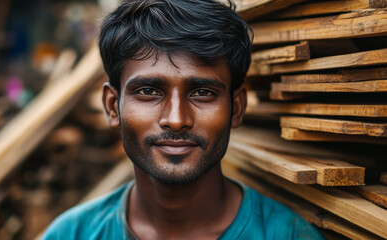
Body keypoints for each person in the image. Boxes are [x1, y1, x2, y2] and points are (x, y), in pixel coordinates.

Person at [42, 0, 325, 239]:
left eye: (202, 92)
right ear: (113, 107)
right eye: (149, 91)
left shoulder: (289, 235)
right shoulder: (70, 233)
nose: (176, 120)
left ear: (236, 108)